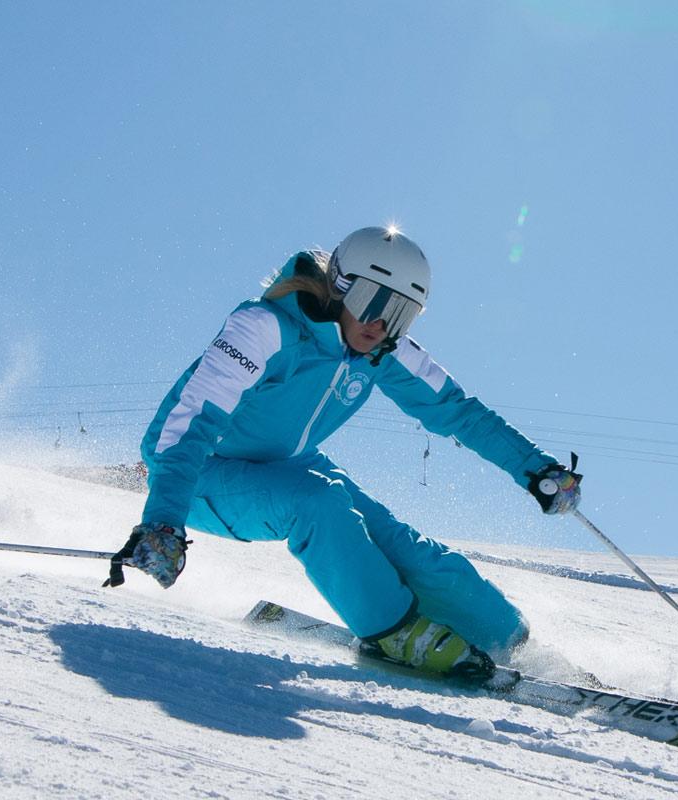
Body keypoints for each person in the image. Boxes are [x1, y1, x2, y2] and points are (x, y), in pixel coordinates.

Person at [110, 226, 582, 682]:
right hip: (196, 473)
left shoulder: (382, 351)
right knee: (319, 502)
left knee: (407, 549)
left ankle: (509, 640)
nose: (382, 324)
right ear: (340, 285)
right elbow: (190, 425)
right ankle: (391, 633)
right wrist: (164, 520)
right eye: (374, 302)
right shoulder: (263, 328)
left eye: (402, 313)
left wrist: (536, 468)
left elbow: (458, 412)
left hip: (288, 464)